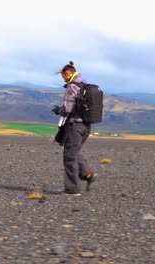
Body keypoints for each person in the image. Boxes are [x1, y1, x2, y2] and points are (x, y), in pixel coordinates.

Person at [52, 61, 97, 196]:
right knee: (74, 151)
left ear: (68, 73)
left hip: (75, 126)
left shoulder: (72, 86)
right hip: (86, 126)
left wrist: (58, 110)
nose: (63, 79)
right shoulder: (85, 84)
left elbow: (68, 108)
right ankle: (87, 174)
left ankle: (72, 190)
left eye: (63, 76)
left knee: (69, 155)